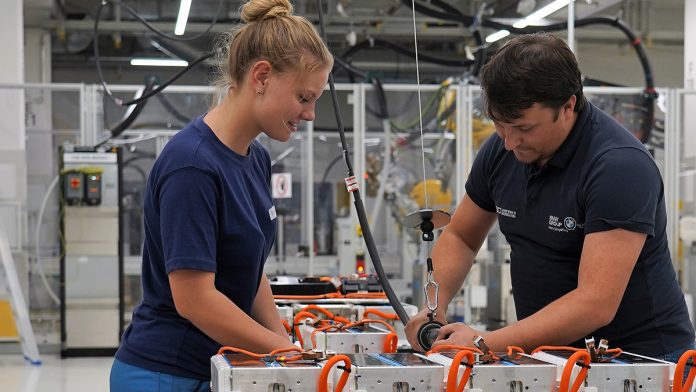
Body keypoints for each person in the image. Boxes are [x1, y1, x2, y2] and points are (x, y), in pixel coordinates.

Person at [405, 33, 695, 362]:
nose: (510, 142)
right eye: (499, 125)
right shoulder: (500, 151)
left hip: (640, 363)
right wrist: (434, 307)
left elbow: (595, 302)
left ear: (568, 105)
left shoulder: (619, 167)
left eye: (524, 128)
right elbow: (462, 235)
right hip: (551, 357)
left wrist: (485, 342)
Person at [109, 0, 333, 390]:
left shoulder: (255, 159)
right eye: (303, 97)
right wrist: (284, 353)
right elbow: (195, 300)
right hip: (167, 374)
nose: (311, 114)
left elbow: (251, 273)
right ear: (261, 76)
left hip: (217, 367)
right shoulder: (193, 165)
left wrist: (287, 346)